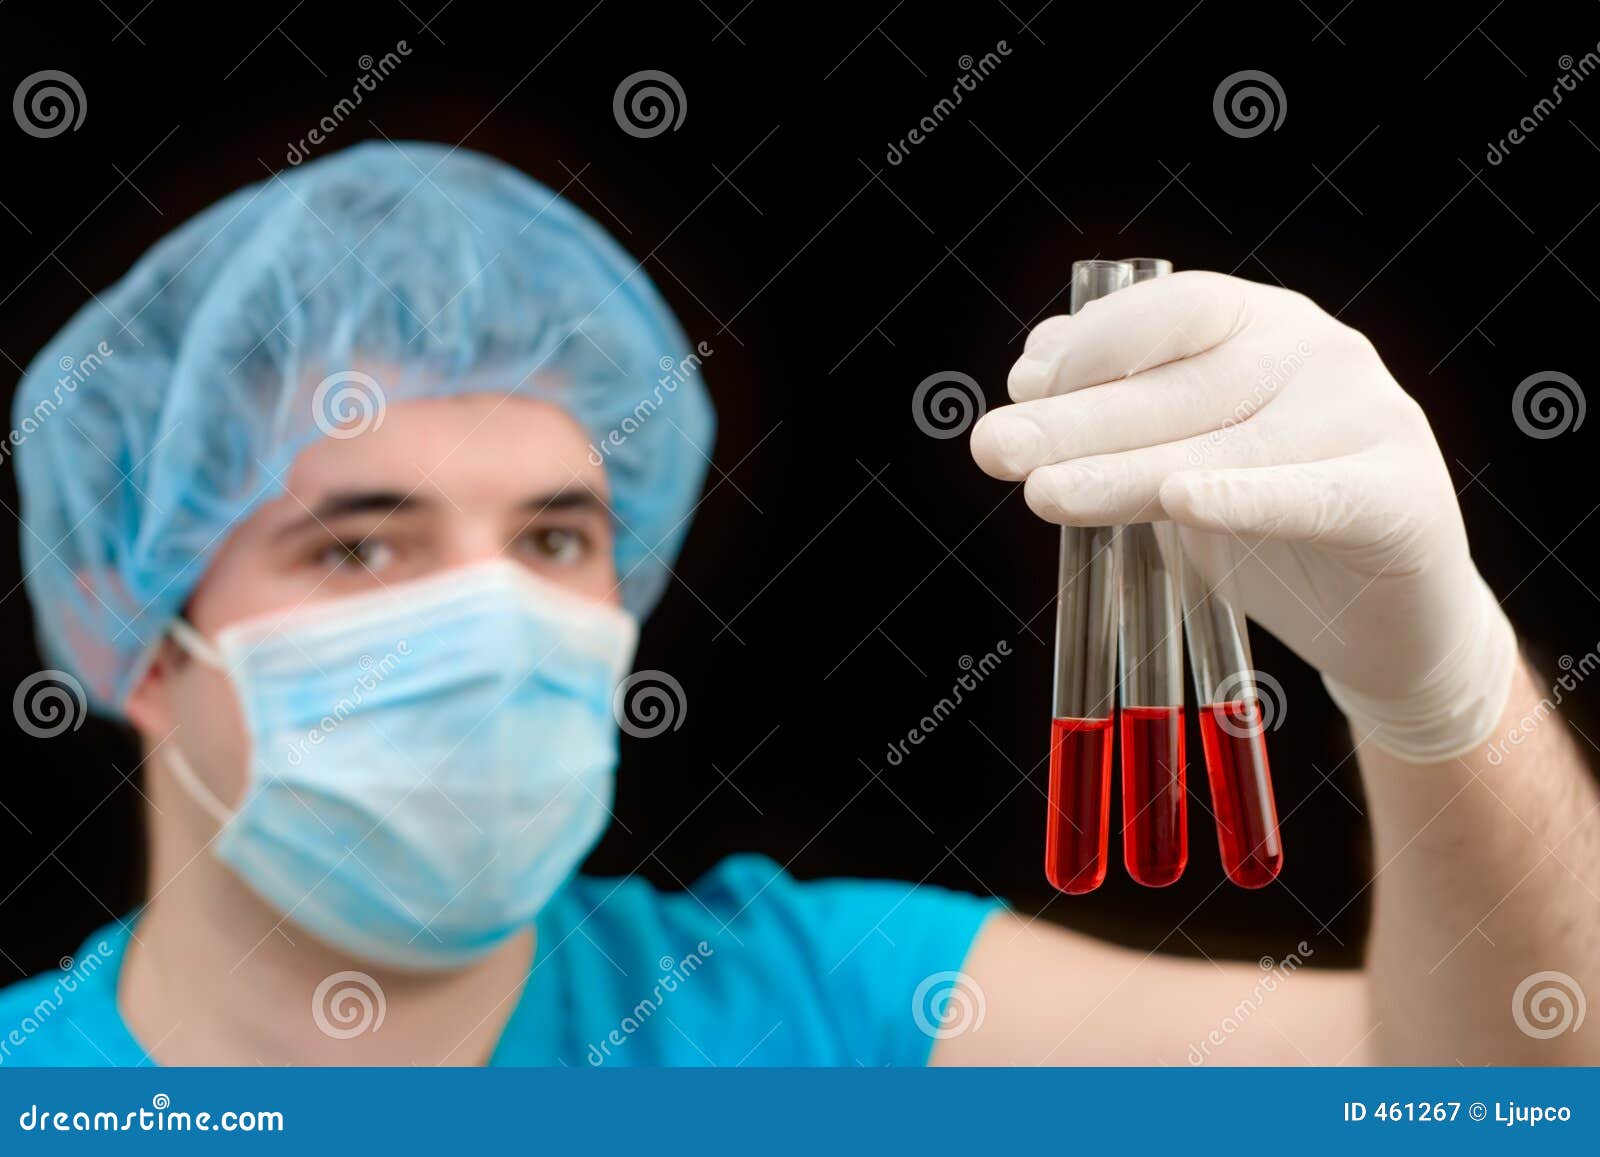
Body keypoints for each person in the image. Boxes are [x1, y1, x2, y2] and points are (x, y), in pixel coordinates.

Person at [0, 142, 1594, 1067]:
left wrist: (1438, 685)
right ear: (128, 629)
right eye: (364, 546)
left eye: (556, 539)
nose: (492, 615)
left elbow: (1504, 1085)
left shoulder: (821, 1008)